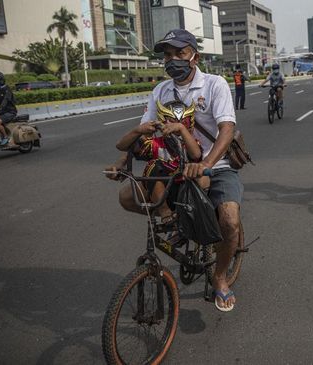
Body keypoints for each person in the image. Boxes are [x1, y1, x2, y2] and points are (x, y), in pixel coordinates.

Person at [105, 29, 243, 312]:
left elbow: (226, 129)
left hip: (214, 166)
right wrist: (122, 161)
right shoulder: (160, 91)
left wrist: (205, 164)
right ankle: (179, 221)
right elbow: (145, 132)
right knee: (128, 198)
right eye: (168, 55)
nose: (173, 60)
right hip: (173, 168)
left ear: (195, 56)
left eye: (180, 53)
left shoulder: (214, 84)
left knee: (229, 220)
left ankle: (219, 277)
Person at [115, 100, 206, 229]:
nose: (176, 126)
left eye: (183, 122)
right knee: (154, 165)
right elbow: (121, 146)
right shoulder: (155, 144)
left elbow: (196, 155)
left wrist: (181, 128)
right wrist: (138, 130)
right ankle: (165, 212)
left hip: (187, 190)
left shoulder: (190, 143)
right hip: (163, 193)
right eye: (171, 121)